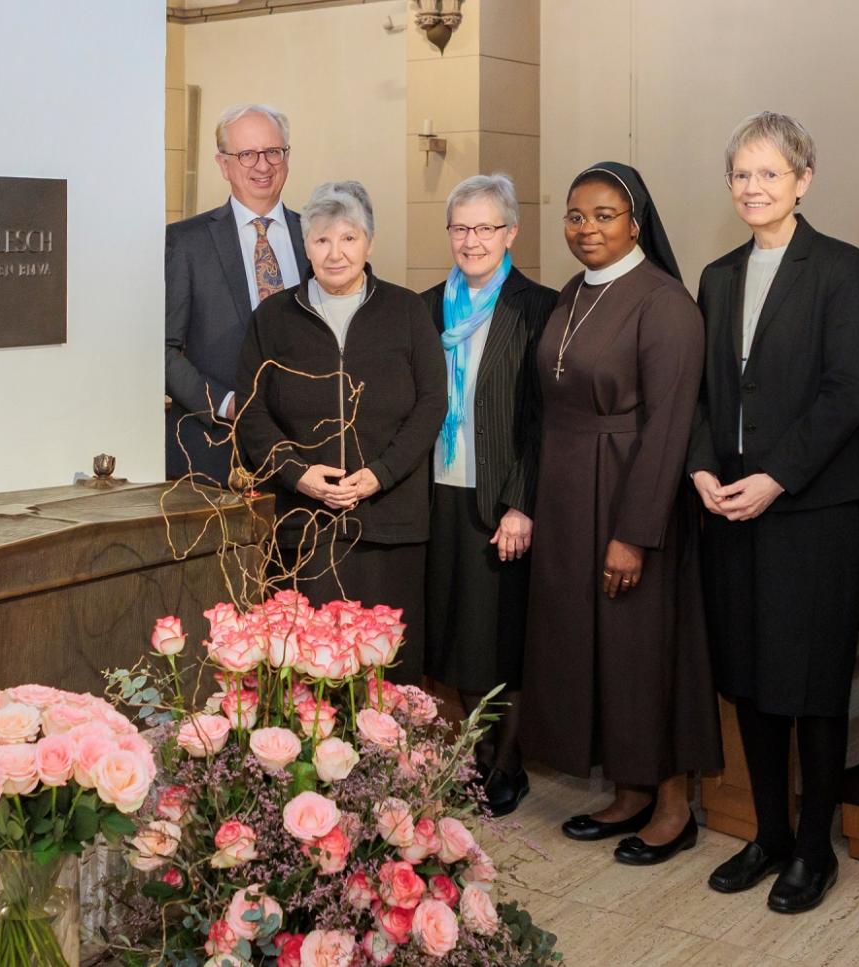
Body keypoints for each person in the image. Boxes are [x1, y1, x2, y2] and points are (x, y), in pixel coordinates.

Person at [686, 112, 859, 913]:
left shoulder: (838, 266)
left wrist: (777, 477)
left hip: (808, 507)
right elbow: (701, 391)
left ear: (803, 179)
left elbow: (846, 394)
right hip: (729, 503)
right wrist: (699, 465)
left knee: (812, 683)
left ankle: (812, 847)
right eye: (740, 174)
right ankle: (766, 832)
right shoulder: (718, 274)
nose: (752, 188)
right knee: (752, 679)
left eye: (769, 173)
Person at [520, 162, 720, 865]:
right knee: (593, 649)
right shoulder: (572, 293)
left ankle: (672, 804)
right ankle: (628, 789)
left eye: (605, 215)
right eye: (576, 215)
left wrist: (633, 533)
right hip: (571, 496)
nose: (587, 228)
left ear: (636, 221)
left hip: (635, 496)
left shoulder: (665, 303)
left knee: (642, 651)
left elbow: (668, 428)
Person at [235, 181, 447, 685]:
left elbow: (431, 403)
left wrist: (380, 474)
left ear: (369, 244)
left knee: (387, 673)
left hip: (390, 523)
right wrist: (297, 474)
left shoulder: (406, 311)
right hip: (306, 527)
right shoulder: (274, 318)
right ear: (305, 246)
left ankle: (391, 764)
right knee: (311, 672)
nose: (336, 253)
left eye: (349, 238)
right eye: (322, 240)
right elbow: (250, 411)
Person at [419, 174, 558, 816]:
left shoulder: (539, 308)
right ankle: (466, 759)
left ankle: (507, 763)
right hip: (436, 493)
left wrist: (522, 501)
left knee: (500, 634)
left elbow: (542, 419)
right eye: (461, 228)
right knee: (451, 631)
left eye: (486, 227)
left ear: (511, 233)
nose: (472, 240)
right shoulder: (424, 309)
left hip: (499, 498)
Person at [166, 103, 309, 486]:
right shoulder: (185, 243)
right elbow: (162, 349)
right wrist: (225, 404)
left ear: (287, 157)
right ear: (224, 164)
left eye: (272, 152)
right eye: (247, 154)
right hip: (214, 451)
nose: (262, 166)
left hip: (305, 452)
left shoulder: (314, 237)